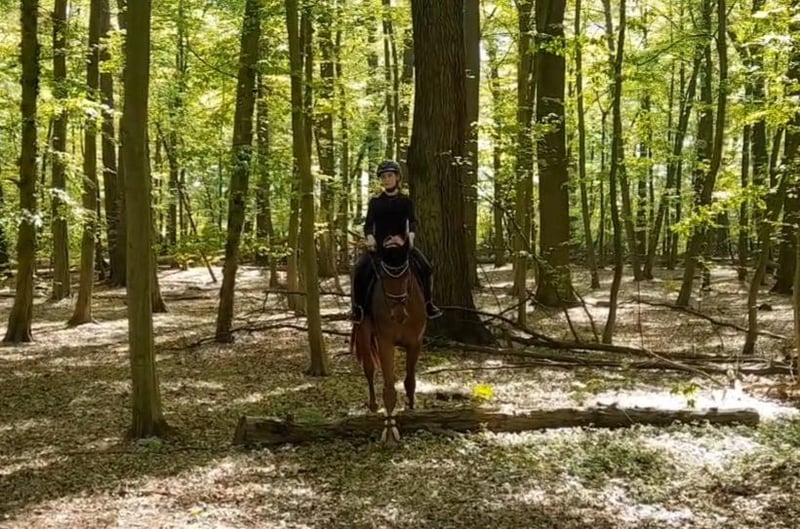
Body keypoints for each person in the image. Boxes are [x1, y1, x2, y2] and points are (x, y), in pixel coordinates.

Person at [349, 159, 443, 323]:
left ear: (397, 177)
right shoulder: (375, 202)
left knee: (426, 268)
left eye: (390, 176)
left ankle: (428, 304)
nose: (386, 179)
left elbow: (412, 222)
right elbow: (369, 225)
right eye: (383, 177)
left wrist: (409, 238)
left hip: (402, 246)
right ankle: (358, 309)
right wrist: (370, 238)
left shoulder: (406, 201)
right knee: (359, 269)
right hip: (380, 248)